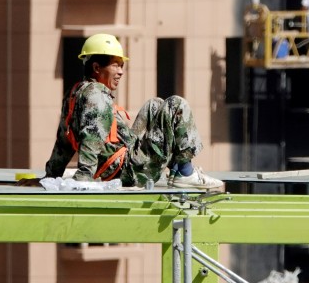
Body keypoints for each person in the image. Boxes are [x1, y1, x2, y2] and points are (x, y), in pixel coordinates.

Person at [29, 34, 224, 191]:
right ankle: (184, 173)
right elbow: (92, 135)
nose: (121, 71)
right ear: (97, 67)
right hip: (130, 170)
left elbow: (64, 140)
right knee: (176, 105)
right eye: (115, 65)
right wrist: (84, 176)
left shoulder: (76, 93)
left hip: (125, 159)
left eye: (121, 66)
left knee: (154, 105)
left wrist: (50, 177)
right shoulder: (96, 96)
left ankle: (175, 169)